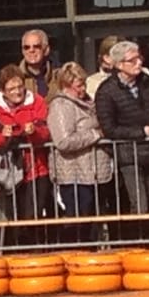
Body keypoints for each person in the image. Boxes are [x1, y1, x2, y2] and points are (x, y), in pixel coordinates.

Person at [0, 64, 51, 245]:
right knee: (12, 219)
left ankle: (36, 254)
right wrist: (2, 137)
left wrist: (33, 131)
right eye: (11, 88)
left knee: (32, 217)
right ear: (2, 91)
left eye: (20, 86)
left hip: (36, 169)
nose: (17, 91)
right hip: (9, 174)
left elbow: (46, 132)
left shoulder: (37, 102)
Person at [96, 40, 149, 239]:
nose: (138, 63)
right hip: (128, 155)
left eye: (139, 57)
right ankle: (140, 244)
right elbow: (109, 128)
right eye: (132, 60)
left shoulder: (147, 82)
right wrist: (142, 132)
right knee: (139, 203)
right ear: (118, 65)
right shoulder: (106, 91)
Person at [47, 62, 112, 243]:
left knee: (92, 221)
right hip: (74, 173)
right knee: (78, 220)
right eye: (78, 86)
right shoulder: (60, 106)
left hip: (93, 172)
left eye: (83, 84)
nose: (83, 89)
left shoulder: (89, 102)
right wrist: (95, 134)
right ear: (66, 86)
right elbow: (63, 141)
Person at [20, 29, 58, 100]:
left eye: (36, 46)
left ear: (46, 50)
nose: (31, 50)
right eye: (26, 47)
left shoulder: (59, 77)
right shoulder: (16, 78)